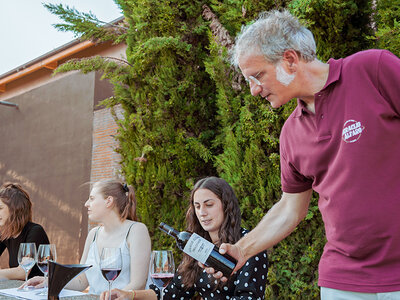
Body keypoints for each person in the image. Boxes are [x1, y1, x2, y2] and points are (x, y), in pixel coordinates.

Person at [205, 9, 400, 299]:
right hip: (342, 280)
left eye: (257, 76)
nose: (254, 91)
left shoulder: (373, 69)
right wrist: (242, 250)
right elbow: (290, 209)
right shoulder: (291, 134)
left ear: (290, 60)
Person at [100, 176, 269, 300]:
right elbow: (171, 292)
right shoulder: (197, 246)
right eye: (197, 206)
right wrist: (129, 295)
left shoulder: (247, 246)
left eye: (209, 205)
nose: (202, 212)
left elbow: (249, 298)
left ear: (226, 206)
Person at [24, 179, 151, 295]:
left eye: (91, 198)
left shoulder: (136, 230)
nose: (86, 204)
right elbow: (81, 281)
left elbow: (138, 284)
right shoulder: (93, 234)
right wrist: (48, 281)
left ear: (109, 201)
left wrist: (115, 296)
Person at [0, 182, 50, 280]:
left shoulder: (35, 231)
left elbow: (22, 272)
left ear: (15, 210)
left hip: (38, 290)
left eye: (0, 208)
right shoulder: (6, 233)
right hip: (20, 289)